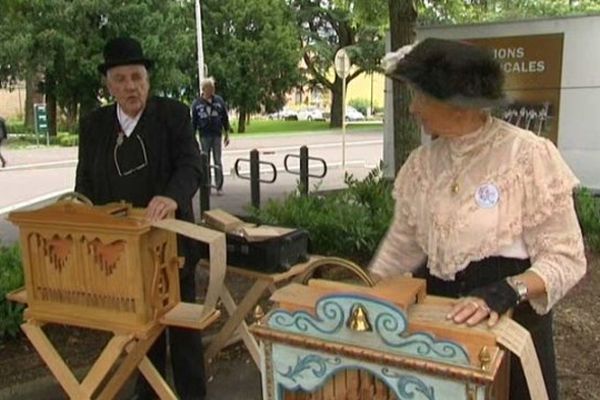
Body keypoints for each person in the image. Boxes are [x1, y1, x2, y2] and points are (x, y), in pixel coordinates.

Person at [370, 38, 586, 400]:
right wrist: (364, 291)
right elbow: (400, 248)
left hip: (509, 327)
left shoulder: (527, 156)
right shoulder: (420, 166)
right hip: (438, 332)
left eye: (420, 97)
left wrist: (508, 290)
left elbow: (566, 256)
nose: (413, 110)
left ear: (457, 104)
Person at [75, 37, 206, 400]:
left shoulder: (173, 115)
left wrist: (170, 197)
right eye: (121, 79)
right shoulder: (93, 126)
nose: (131, 86)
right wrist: (82, 214)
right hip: (122, 254)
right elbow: (84, 182)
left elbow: (192, 166)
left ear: (148, 79)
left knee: (184, 340)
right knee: (141, 339)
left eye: (137, 77)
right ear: (109, 84)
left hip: (171, 249)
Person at [191, 77, 231, 195]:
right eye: (210, 88)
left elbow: (224, 117)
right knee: (205, 161)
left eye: (213, 88)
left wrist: (226, 133)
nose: (212, 91)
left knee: (217, 160)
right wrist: (192, 137)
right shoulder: (197, 104)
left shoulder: (219, 101)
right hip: (204, 135)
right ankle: (207, 186)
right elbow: (194, 122)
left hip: (216, 134)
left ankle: (219, 186)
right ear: (204, 89)